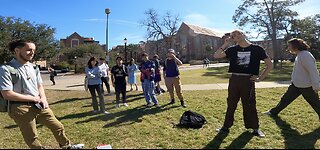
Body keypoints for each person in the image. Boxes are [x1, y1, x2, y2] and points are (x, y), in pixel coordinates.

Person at [0, 39, 83, 149]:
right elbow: (7, 94)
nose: (32, 53)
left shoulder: (34, 67)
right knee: (32, 137)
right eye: (29, 50)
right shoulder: (6, 69)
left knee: (58, 126)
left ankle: (66, 146)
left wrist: (43, 98)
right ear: (17, 50)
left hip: (39, 103)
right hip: (19, 107)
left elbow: (40, 86)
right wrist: (33, 98)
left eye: (34, 50)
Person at [213, 30, 273, 137]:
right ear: (233, 39)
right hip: (234, 79)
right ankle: (225, 127)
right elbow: (216, 56)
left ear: (243, 35)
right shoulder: (232, 49)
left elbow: (269, 65)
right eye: (233, 36)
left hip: (248, 80)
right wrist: (226, 44)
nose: (236, 36)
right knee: (231, 103)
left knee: (249, 104)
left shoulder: (257, 49)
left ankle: (255, 128)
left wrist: (260, 78)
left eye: (238, 34)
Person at [264, 38, 320, 119]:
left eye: (289, 46)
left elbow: (313, 71)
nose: (288, 48)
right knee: (285, 100)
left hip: (307, 86)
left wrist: (316, 86)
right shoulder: (300, 55)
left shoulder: (305, 55)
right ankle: (273, 112)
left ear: (295, 46)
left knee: (316, 104)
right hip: (296, 85)